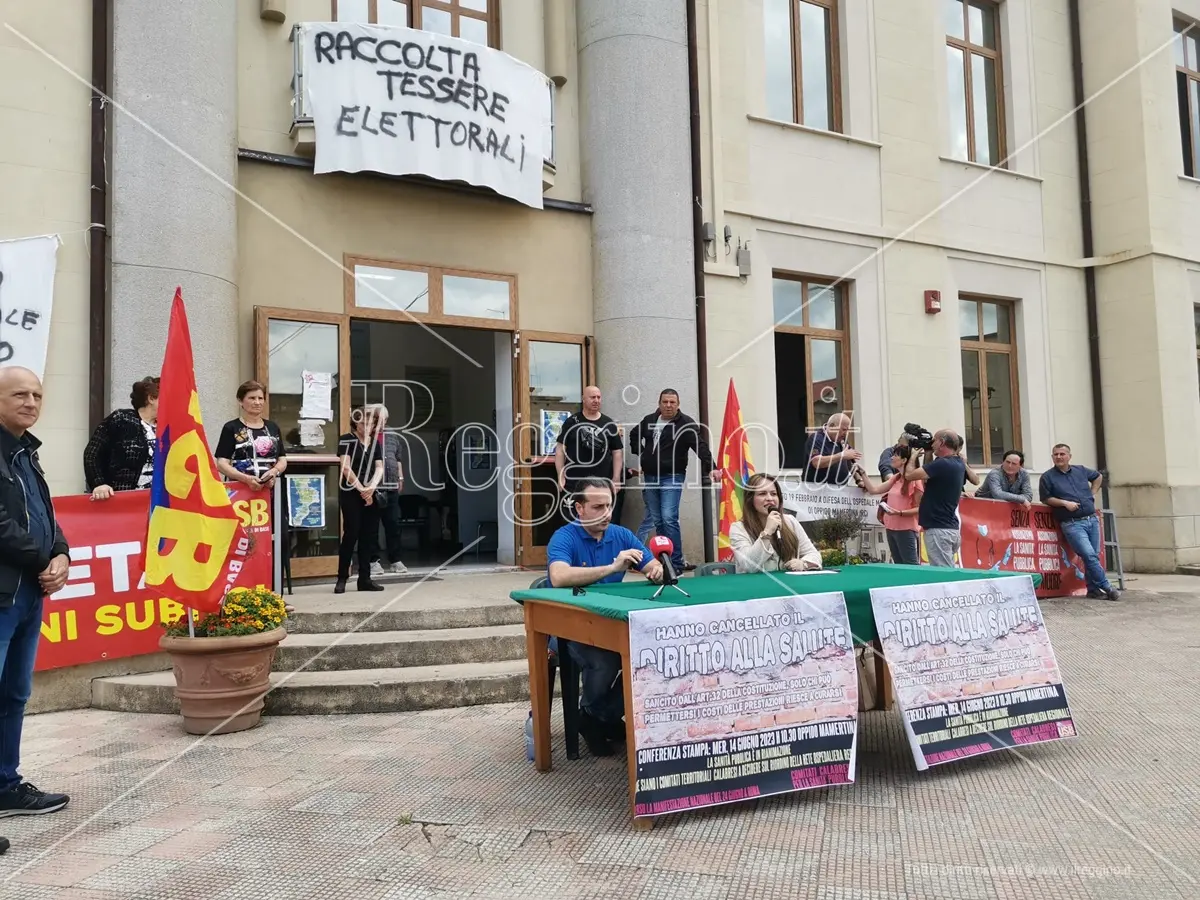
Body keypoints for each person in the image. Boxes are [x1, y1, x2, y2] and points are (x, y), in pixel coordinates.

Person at [547, 477, 663, 756]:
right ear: (579, 508)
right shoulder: (564, 536)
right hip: (568, 627)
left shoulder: (621, 535)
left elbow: (651, 563)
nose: (606, 513)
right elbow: (559, 576)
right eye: (598, 507)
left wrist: (656, 568)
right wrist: (612, 567)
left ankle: (593, 717)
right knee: (606, 661)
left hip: (609, 623)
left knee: (651, 658)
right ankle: (601, 719)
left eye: (609, 506)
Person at [0, 366, 71, 820]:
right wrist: (40, 559)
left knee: (15, 693)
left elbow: (46, 513)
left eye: (37, 395)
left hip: (30, 594)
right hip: (4, 593)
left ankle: (6, 786)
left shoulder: (28, 453)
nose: (30, 402)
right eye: (19, 394)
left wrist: (61, 553)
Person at [629, 389, 718, 572]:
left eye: (672, 402)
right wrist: (641, 452)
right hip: (651, 476)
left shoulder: (685, 424)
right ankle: (664, 560)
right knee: (658, 520)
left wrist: (712, 467)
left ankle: (676, 563)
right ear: (659, 403)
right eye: (665, 402)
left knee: (669, 518)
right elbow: (634, 435)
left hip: (672, 476)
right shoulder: (649, 420)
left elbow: (700, 446)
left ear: (678, 404)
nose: (668, 405)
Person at [1039, 443, 1119, 601]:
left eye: (1062, 454)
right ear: (1052, 457)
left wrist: (1093, 493)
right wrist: (1064, 503)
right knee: (1089, 555)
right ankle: (1107, 586)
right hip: (1072, 523)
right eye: (1056, 454)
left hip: (1091, 519)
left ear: (1069, 456)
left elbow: (1098, 477)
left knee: (1093, 556)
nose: (1059, 457)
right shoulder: (1047, 477)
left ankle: (1093, 589)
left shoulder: (1081, 470)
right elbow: (1046, 498)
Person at [82, 376, 160, 499]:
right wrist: (99, 484)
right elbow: (92, 453)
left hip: (158, 503)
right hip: (123, 502)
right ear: (151, 398)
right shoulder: (121, 419)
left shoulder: (167, 428)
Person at [335, 408, 386, 594]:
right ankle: (342, 577)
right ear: (355, 422)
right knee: (351, 534)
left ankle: (365, 579)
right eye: (363, 423)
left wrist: (371, 487)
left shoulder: (375, 443)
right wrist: (362, 489)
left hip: (371, 493)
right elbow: (346, 468)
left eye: (371, 423)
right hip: (351, 492)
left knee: (369, 536)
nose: (367, 427)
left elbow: (379, 467)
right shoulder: (346, 439)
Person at [727, 474, 822, 573]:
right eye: (762, 494)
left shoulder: (790, 521)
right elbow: (748, 566)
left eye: (773, 494)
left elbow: (813, 554)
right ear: (750, 499)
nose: (769, 498)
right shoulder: (738, 528)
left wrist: (803, 564)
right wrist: (767, 532)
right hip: (755, 586)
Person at [904, 430, 966, 567]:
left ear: (942, 443)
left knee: (943, 575)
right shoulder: (956, 463)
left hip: (939, 529)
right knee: (945, 570)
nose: (932, 443)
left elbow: (909, 475)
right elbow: (929, 476)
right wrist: (928, 453)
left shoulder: (942, 464)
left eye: (934, 441)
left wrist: (913, 457)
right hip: (948, 528)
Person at [856, 446, 924, 565]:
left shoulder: (915, 481)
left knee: (910, 564)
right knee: (898, 564)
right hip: (891, 528)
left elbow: (920, 508)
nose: (892, 458)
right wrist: (863, 473)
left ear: (904, 460)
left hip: (906, 529)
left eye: (896, 455)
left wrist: (899, 513)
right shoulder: (895, 478)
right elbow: (874, 490)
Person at [215, 381, 287, 493]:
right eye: (252, 398)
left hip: (270, 491)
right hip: (240, 492)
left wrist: (274, 472)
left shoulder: (273, 427)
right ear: (240, 401)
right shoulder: (231, 428)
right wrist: (246, 479)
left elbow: (282, 459)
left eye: (260, 398)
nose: (257, 402)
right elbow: (221, 464)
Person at [555, 386, 623, 494]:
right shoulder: (571, 422)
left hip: (600, 485)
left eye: (598, 397)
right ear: (584, 399)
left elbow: (617, 452)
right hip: (573, 484)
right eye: (592, 397)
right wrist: (560, 476)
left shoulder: (609, 424)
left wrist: (616, 478)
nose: (596, 400)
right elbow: (559, 450)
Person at [369, 405, 408, 577]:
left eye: (385, 419)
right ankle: (373, 561)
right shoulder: (366, 434)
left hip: (391, 485)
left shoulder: (392, 434)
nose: (383, 423)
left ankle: (395, 560)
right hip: (373, 486)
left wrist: (400, 477)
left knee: (393, 524)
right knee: (372, 525)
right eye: (380, 419)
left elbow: (397, 458)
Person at [803, 413, 862, 485]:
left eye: (847, 430)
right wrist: (841, 455)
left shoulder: (842, 440)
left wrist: (859, 480)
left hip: (840, 491)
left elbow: (850, 463)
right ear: (831, 426)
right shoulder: (816, 439)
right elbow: (817, 462)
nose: (846, 433)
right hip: (818, 490)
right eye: (843, 429)